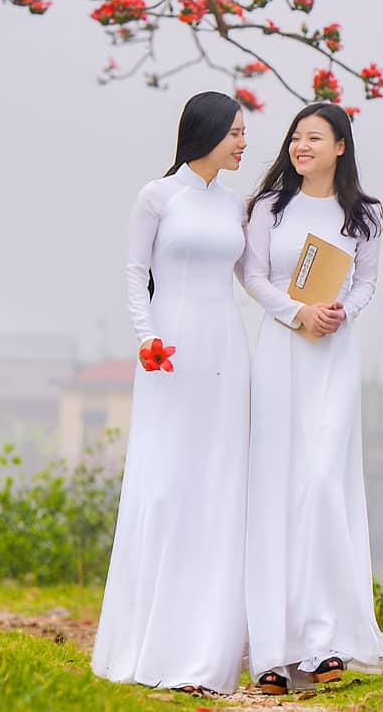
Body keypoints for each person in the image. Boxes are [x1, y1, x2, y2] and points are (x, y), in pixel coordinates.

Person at [240, 102, 383, 694]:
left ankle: (324, 639)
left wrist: (338, 314)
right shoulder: (268, 208)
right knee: (276, 486)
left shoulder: (366, 214)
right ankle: (271, 649)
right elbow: (252, 276)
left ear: (341, 146)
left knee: (320, 482)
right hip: (282, 354)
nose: (300, 146)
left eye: (314, 137)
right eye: (295, 137)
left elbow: (366, 283)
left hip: (333, 357)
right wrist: (297, 312)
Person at [92, 92, 252, 694]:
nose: (242, 143)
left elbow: (251, 277)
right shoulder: (158, 196)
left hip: (226, 351)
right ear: (205, 132)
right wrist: (147, 337)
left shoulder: (235, 204)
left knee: (218, 482)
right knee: (165, 482)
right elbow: (137, 271)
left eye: (244, 133)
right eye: (235, 132)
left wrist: (301, 309)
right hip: (169, 353)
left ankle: (206, 647)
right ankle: (147, 640)